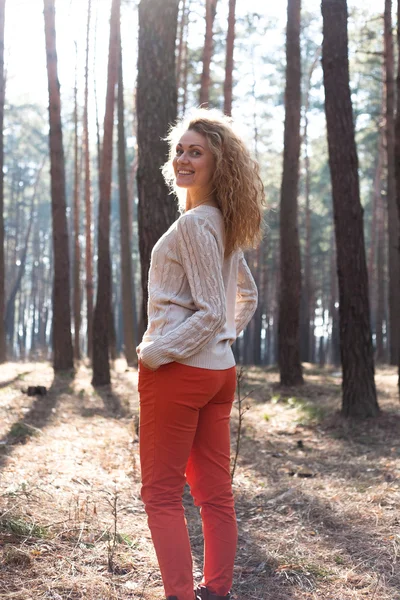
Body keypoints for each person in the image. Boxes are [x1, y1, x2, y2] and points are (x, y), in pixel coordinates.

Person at [136, 108, 265, 600]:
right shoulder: (218, 221)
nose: (184, 159)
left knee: (162, 494)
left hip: (179, 373)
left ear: (219, 164)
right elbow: (244, 298)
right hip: (218, 374)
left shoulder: (196, 226)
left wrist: (155, 352)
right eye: (180, 150)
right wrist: (221, 344)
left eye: (197, 152)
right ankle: (216, 591)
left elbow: (214, 311)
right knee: (213, 493)